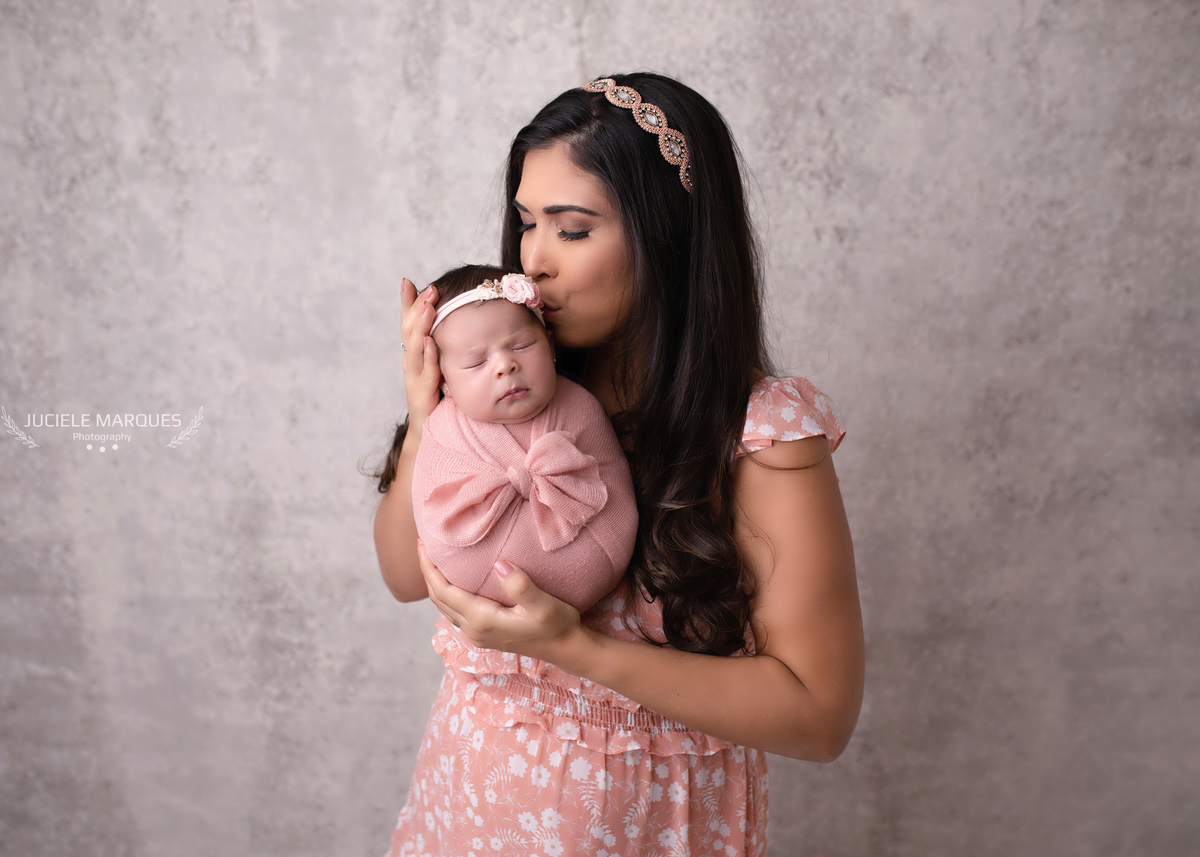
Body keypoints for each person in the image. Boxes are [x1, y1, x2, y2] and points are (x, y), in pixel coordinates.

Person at [374, 73, 864, 857]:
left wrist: (574, 647)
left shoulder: (760, 433)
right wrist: (425, 412)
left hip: (648, 832)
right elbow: (406, 575)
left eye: (572, 230)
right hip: (469, 807)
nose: (533, 260)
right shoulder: (508, 383)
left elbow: (819, 713)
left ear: (667, 236)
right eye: (526, 222)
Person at [405, 263, 637, 612]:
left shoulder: (580, 405)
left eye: (522, 345)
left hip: (602, 593)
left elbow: (614, 489)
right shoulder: (440, 429)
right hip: (482, 609)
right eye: (475, 363)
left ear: (550, 346)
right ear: (444, 382)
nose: (505, 366)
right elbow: (432, 510)